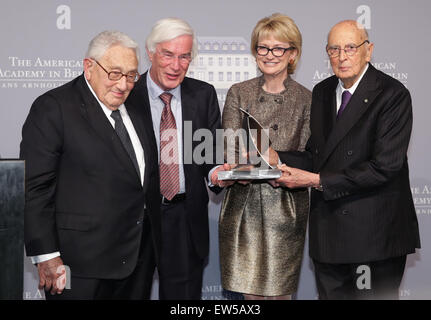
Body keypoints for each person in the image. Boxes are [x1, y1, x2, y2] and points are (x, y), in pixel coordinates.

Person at [275, 20, 421, 299]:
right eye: (334, 49)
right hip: (329, 235)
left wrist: (317, 181)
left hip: (375, 237)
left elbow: (385, 167)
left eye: (351, 48)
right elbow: (316, 154)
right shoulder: (322, 91)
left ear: (369, 50)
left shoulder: (392, 94)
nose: (342, 57)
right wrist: (276, 156)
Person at [20, 31, 161, 300]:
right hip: (79, 264)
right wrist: (47, 256)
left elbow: (141, 179)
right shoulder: (54, 108)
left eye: (132, 75)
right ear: (89, 67)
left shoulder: (137, 106)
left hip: (137, 260)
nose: (124, 85)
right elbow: (34, 188)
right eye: (115, 73)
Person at [126, 17, 225, 300]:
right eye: (168, 54)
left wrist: (218, 172)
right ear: (151, 53)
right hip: (137, 219)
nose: (176, 64)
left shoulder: (203, 95)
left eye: (184, 56)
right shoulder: (127, 95)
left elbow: (209, 156)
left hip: (184, 218)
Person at [219, 13, 311, 300]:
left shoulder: (308, 98)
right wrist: (239, 167)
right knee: (250, 298)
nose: (270, 55)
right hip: (243, 207)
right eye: (263, 47)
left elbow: (311, 157)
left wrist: (277, 158)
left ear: (293, 53)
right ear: (255, 51)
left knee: (279, 294)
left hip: (286, 206)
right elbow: (230, 150)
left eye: (279, 48)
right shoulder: (238, 92)